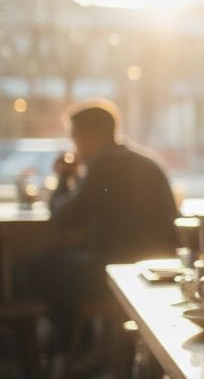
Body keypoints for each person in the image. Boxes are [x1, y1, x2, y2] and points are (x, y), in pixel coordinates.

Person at [27, 99, 178, 346]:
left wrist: (63, 179)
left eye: (75, 137)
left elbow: (67, 216)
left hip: (119, 272)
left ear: (88, 135)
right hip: (156, 269)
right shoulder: (144, 160)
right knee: (62, 261)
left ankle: (77, 346)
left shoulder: (104, 163)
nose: (74, 146)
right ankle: (88, 349)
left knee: (38, 268)